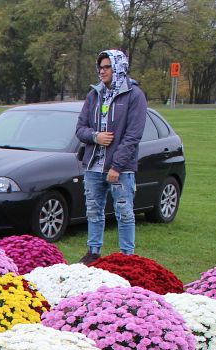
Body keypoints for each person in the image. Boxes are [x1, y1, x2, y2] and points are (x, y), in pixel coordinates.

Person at [75, 49, 147, 264]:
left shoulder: (134, 95)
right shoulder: (94, 94)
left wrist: (116, 166)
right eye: (100, 67)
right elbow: (80, 129)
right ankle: (93, 252)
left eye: (107, 67)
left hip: (120, 169)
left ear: (119, 68)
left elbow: (133, 136)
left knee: (124, 212)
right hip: (93, 166)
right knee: (93, 211)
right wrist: (95, 136)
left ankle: (127, 258)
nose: (102, 71)